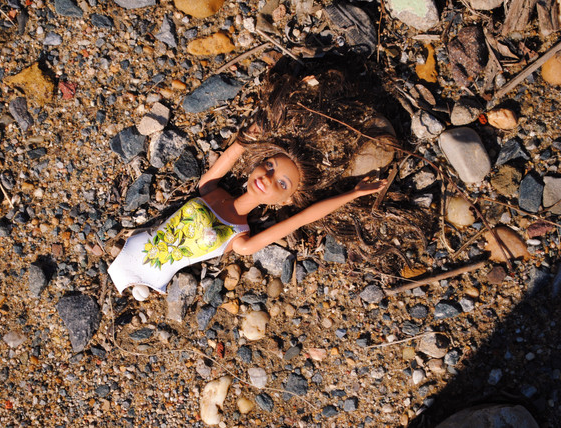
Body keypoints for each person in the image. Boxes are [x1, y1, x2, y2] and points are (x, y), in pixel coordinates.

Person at [108, 58, 428, 301]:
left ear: (287, 200)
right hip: (141, 247)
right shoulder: (208, 188)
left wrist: (352, 193)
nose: (268, 179)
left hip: (156, 272)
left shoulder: (240, 240)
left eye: (282, 185)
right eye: (270, 166)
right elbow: (235, 150)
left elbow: (303, 218)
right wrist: (263, 123)